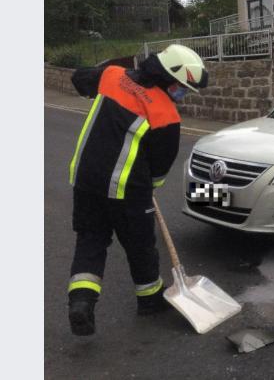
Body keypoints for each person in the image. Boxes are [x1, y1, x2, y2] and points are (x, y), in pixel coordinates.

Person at [66, 44, 209, 336]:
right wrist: (149, 189)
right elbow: (160, 166)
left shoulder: (112, 76)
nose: (181, 94)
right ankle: (149, 301)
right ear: (167, 77)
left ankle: (81, 301)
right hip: (127, 191)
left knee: (91, 239)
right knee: (140, 245)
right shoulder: (165, 115)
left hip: (85, 180)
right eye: (181, 87)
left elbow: (80, 79)